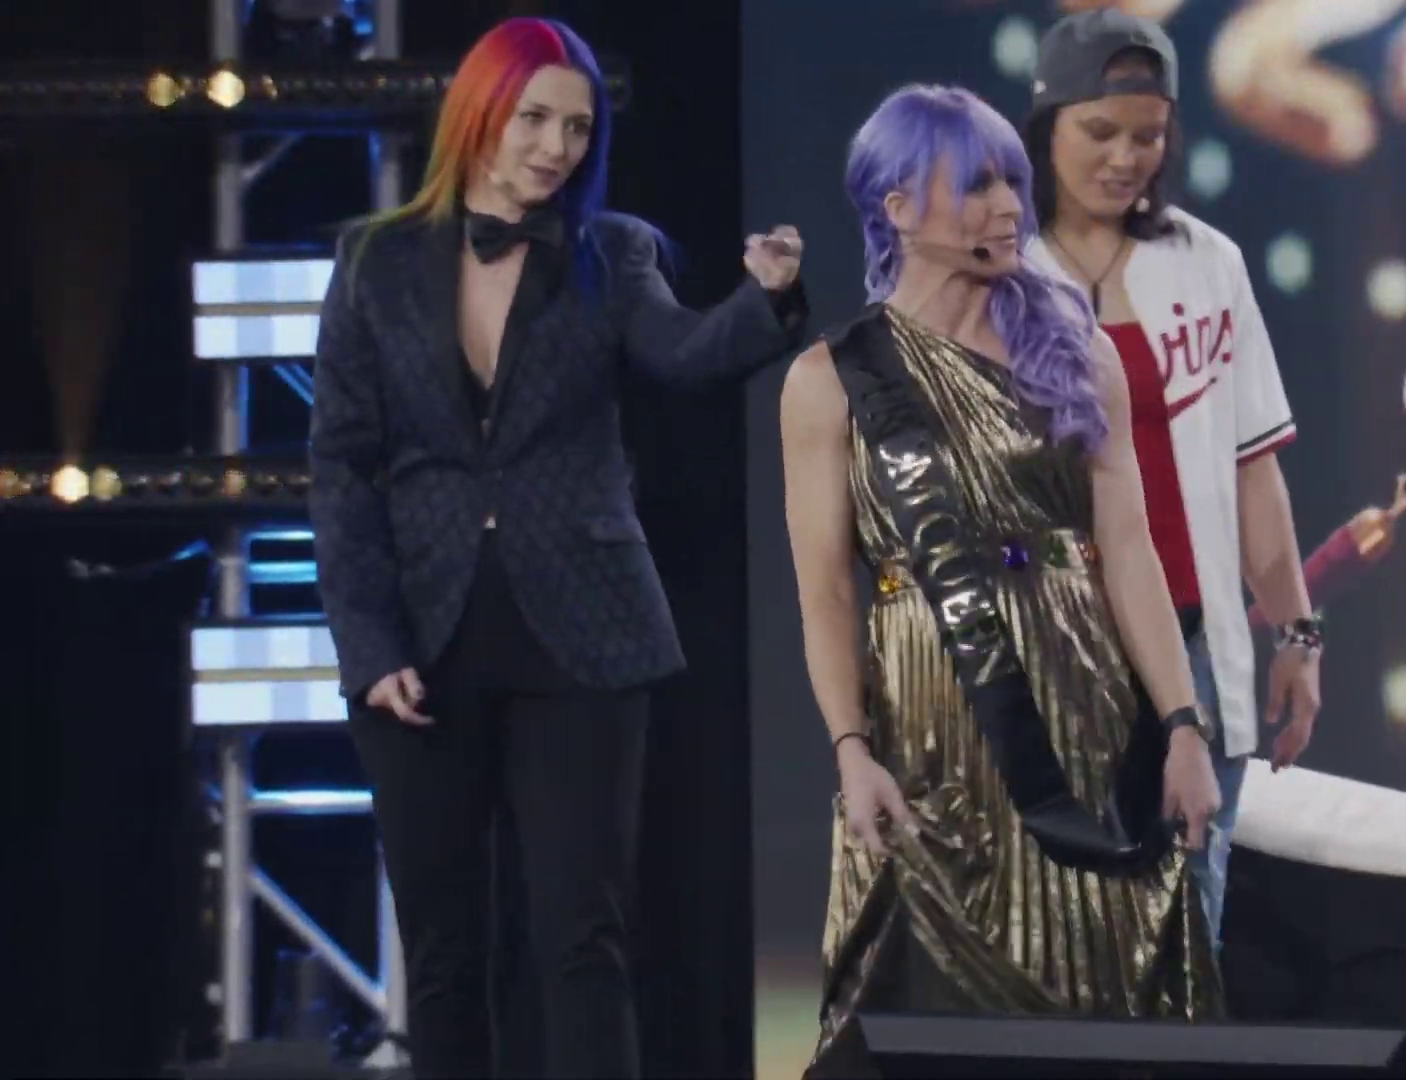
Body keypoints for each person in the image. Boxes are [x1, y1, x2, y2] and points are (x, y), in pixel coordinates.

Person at [308, 17, 806, 1079]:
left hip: (585, 631)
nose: (556, 147)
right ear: (479, 111)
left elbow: (684, 355)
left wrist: (765, 301)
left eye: (578, 128)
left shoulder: (612, 252)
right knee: (444, 950)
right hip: (422, 642)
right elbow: (341, 470)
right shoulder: (373, 261)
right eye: (534, 118)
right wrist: (369, 644)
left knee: (585, 939)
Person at [780, 83, 1223, 1076]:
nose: (1008, 208)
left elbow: (1131, 551)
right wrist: (851, 751)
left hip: (1085, 724)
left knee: (1108, 1003)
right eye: (977, 186)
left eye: (1013, 184)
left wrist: (1183, 727)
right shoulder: (829, 380)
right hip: (926, 735)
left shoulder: (1076, 352)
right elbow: (826, 592)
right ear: (898, 206)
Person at [1020, 9, 1320, 950]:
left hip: (1194, 643)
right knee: (1059, 933)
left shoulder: (1207, 262)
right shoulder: (997, 273)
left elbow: (1253, 470)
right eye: (1100, 131)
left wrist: (1298, 634)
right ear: (1047, 127)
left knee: (1190, 924)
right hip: (1049, 643)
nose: (1125, 158)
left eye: (1147, 136)